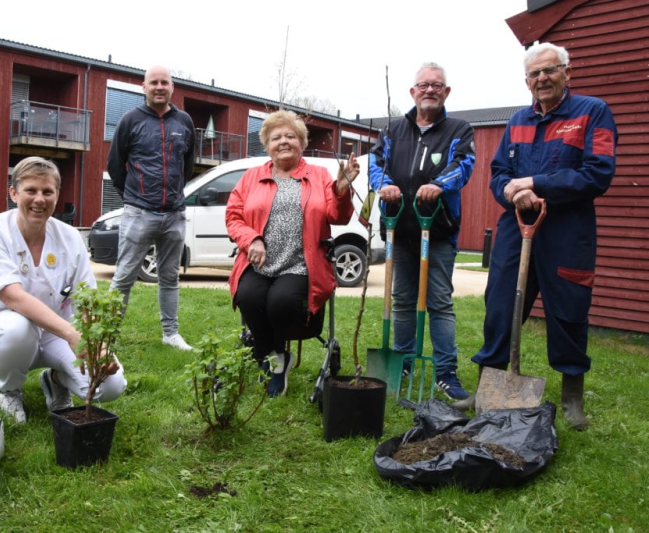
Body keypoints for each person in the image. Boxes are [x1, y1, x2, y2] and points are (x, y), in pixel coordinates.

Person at [455, 43, 617, 430]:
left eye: (549, 70)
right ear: (526, 81)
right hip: (518, 225)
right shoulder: (518, 120)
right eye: (534, 74)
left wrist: (535, 182)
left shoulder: (593, 112)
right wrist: (512, 193)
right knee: (500, 305)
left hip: (568, 230)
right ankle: (488, 386)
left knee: (569, 310)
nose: (542, 78)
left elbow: (598, 173)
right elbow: (499, 173)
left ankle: (572, 397)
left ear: (567, 72)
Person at [0, 157, 127, 423]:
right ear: (14, 193)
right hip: (5, 333)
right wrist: (72, 334)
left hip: (56, 333)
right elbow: (12, 296)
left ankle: (55, 380)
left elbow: (87, 299)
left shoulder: (70, 237)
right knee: (15, 327)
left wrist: (97, 345)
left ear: (57, 195)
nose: (39, 199)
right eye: (31, 190)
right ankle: (9, 392)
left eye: (47, 191)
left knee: (110, 386)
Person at [226, 110, 359, 397]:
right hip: (259, 262)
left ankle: (272, 358)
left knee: (281, 302)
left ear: (301, 142)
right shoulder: (251, 177)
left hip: (300, 263)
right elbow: (233, 216)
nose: (284, 141)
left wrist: (341, 190)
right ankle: (274, 356)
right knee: (248, 297)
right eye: (276, 138)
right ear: (267, 145)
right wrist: (251, 240)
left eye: (290, 136)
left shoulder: (319, 175)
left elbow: (337, 216)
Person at [369, 62, 475, 400]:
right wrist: (384, 184)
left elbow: (464, 163)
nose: (430, 90)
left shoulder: (459, 129)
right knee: (402, 300)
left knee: (439, 302)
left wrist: (439, 184)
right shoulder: (392, 130)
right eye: (424, 85)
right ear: (413, 91)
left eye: (437, 85)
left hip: (438, 230)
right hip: (400, 229)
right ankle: (403, 361)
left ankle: (445, 372)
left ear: (446, 92)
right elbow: (376, 163)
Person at [107, 65, 195, 351]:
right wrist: (133, 197)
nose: (159, 87)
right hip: (138, 213)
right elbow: (115, 165)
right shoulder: (130, 120)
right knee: (123, 277)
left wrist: (174, 194)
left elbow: (188, 165)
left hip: (174, 215)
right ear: (143, 87)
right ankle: (107, 336)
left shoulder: (184, 121)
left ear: (172, 88)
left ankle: (171, 334)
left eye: (164, 82)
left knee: (169, 277)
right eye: (154, 82)